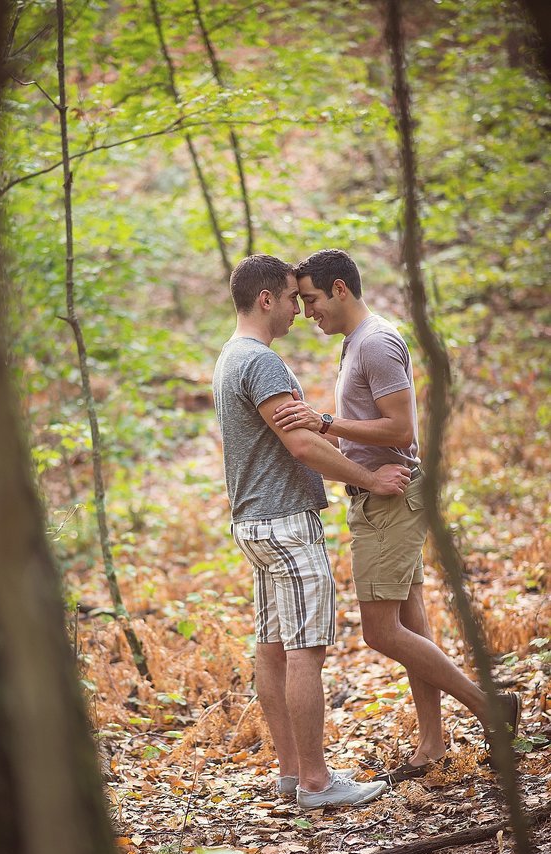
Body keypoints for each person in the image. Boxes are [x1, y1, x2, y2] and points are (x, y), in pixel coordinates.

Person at [273, 248, 521, 782]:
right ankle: (432, 742)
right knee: (412, 622)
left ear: (341, 289)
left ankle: (489, 708)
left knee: (381, 632)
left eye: (312, 299)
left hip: (390, 498)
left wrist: (325, 423)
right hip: (380, 499)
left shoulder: (377, 343)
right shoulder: (355, 344)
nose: (307, 311)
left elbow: (401, 429)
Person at [213, 253, 412, 809]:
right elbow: (302, 444)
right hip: (285, 522)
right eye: (291, 299)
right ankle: (318, 782)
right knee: (305, 650)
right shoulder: (263, 363)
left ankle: (292, 771)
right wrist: (370, 479)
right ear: (266, 299)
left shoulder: (230, 357)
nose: (300, 311)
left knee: (273, 646)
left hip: (253, 522)